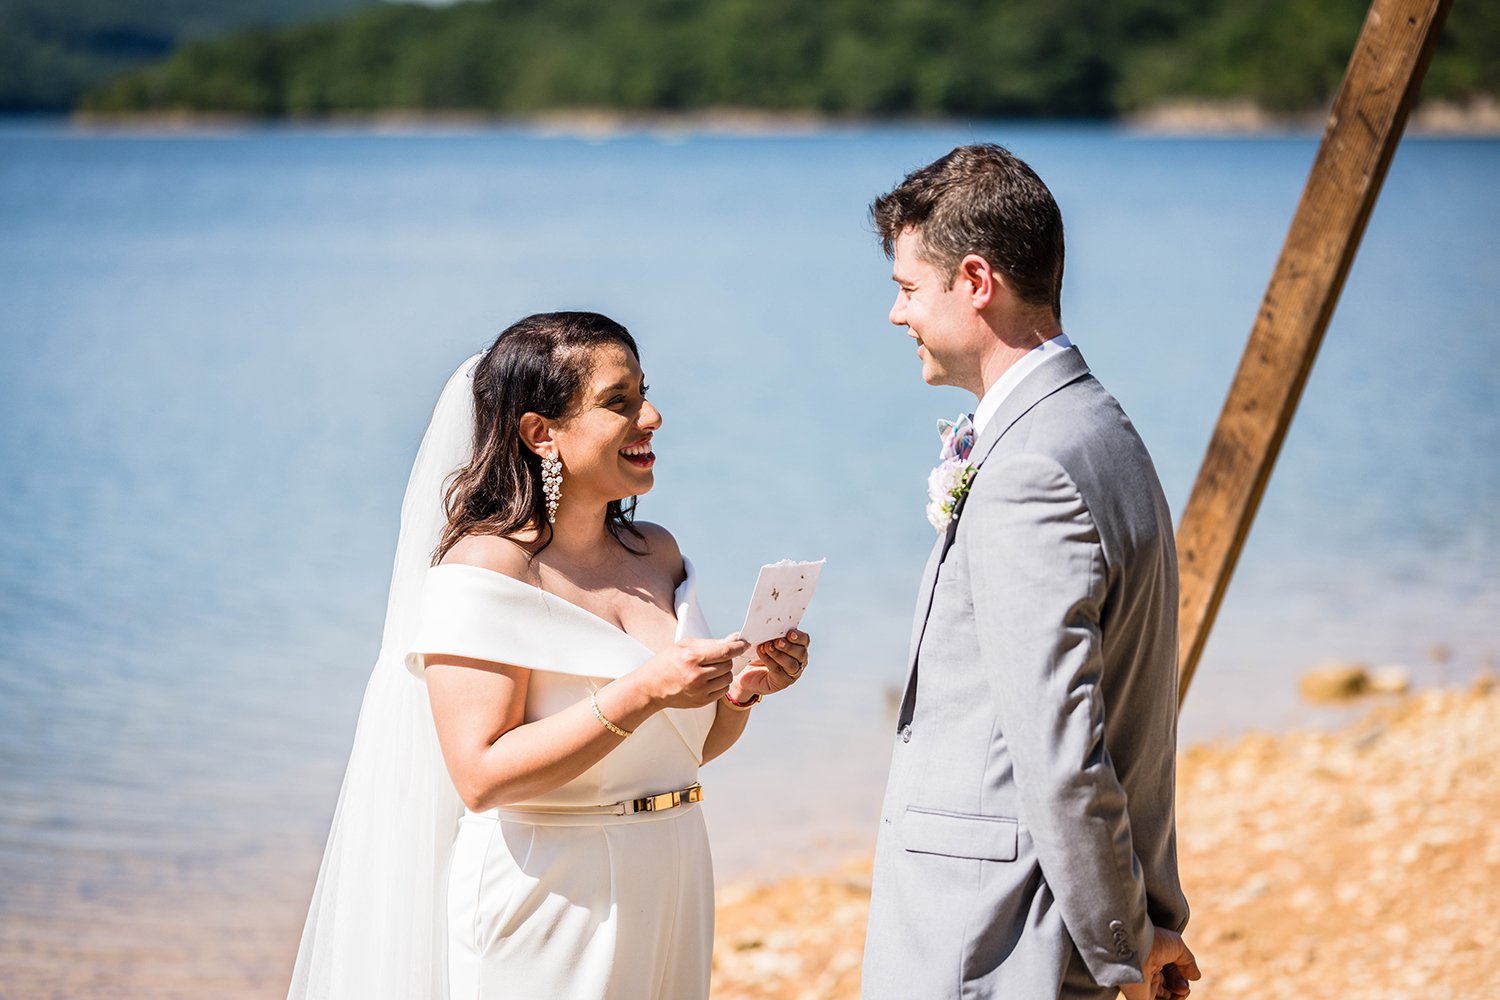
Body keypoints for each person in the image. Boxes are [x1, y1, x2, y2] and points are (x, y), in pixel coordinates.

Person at [288, 311, 808, 1000]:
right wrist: (646, 689)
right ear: (543, 433)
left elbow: (687, 748)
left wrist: (744, 690)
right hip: (548, 894)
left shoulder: (658, 552)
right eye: (619, 402)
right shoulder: (485, 570)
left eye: (644, 394)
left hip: (675, 867)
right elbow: (480, 775)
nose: (651, 416)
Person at [860, 144, 1200, 1000]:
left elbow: (1061, 746)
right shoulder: (1100, 427)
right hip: (1035, 919)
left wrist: (1125, 939)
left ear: (976, 282)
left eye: (908, 289)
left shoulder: (1030, 468)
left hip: (1000, 934)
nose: (895, 316)